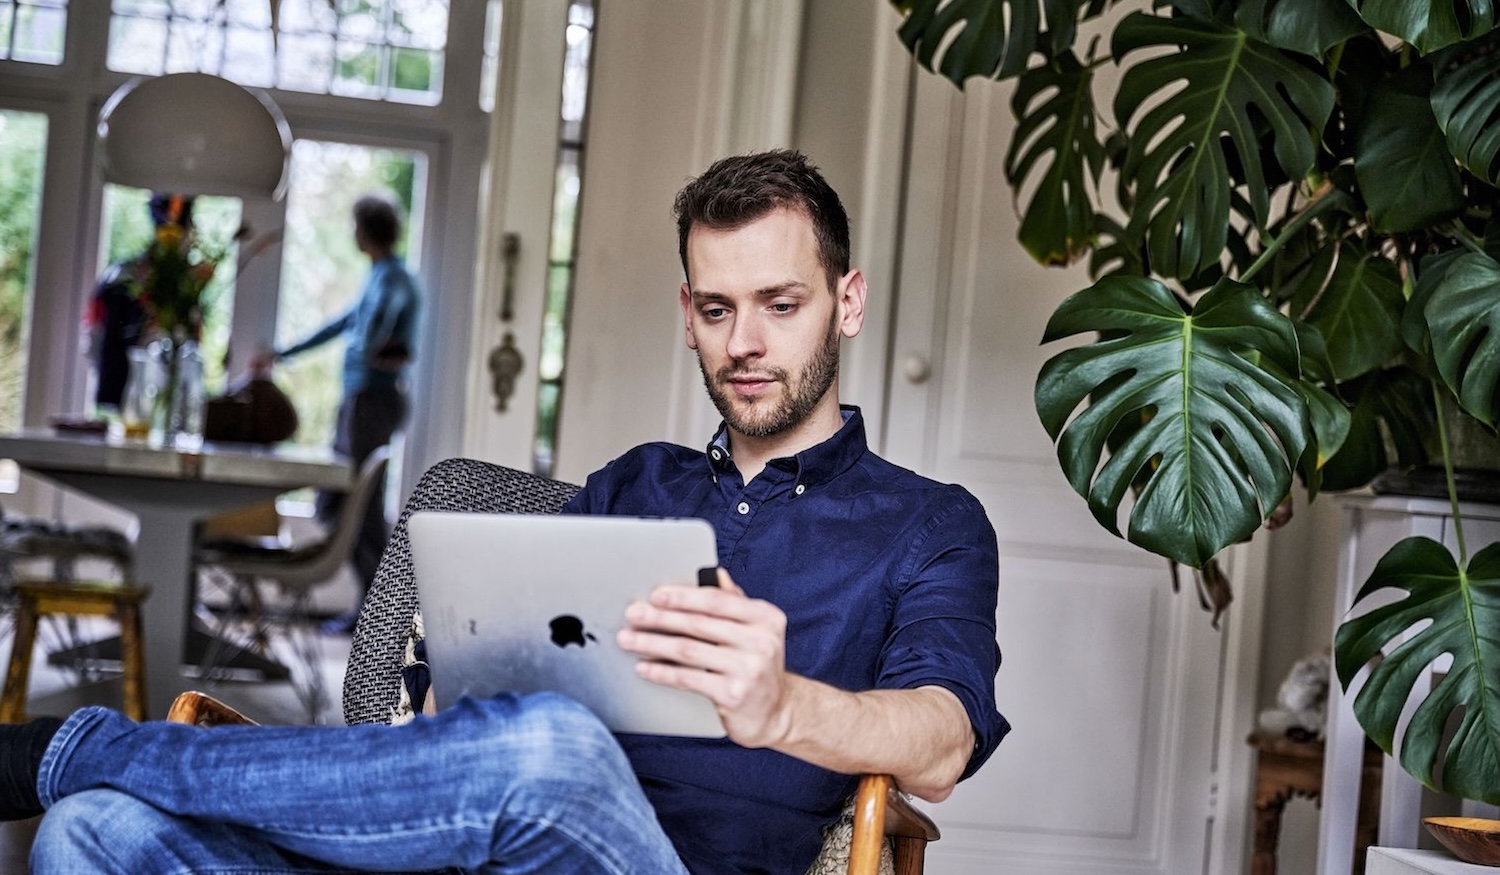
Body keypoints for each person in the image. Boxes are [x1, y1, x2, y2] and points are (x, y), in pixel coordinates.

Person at [1, 149, 1006, 875]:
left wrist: (784, 702)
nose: (745, 341)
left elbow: (943, 741)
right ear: (687, 314)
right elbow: (463, 710)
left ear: (848, 300)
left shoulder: (927, 523)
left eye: (781, 304)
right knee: (90, 835)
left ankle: (65, 745)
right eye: (715, 309)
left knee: (554, 748)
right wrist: (452, 713)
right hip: (462, 849)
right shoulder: (633, 483)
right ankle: (80, 771)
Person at [260, 193, 423, 635]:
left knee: (360, 509)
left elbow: (382, 323)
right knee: (337, 503)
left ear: (366, 231)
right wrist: (283, 353)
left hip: (374, 401)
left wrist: (371, 347)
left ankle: (381, 615)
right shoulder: (376, 277)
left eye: (355, 227)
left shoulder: (395, 280)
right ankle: (376, 607)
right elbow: (339, 325)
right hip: (358, 400)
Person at [83, 193, 195, 412]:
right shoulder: (122, 279)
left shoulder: (186, 285)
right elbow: (96, 339)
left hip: (171, 408)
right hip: (129, 404)